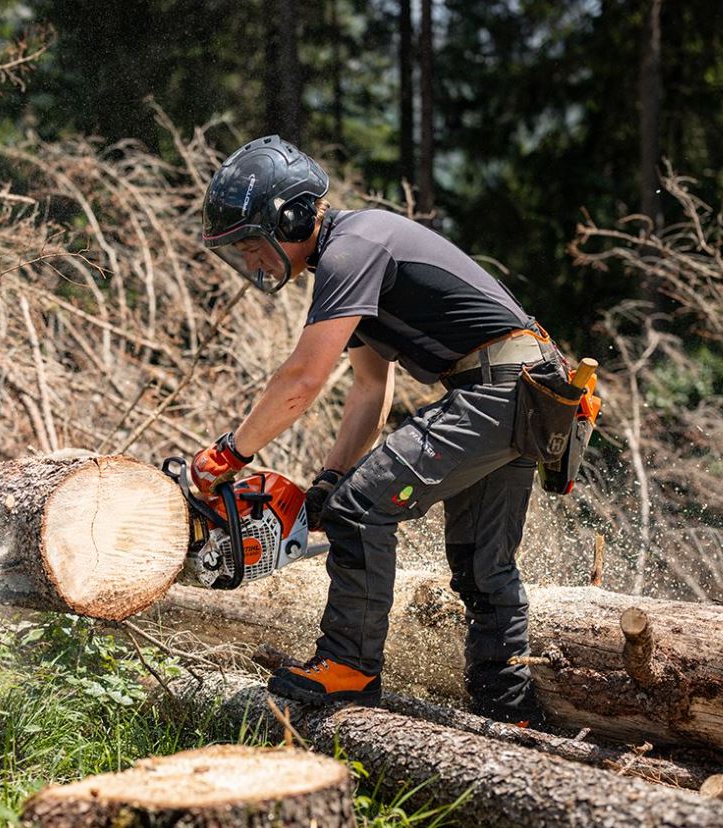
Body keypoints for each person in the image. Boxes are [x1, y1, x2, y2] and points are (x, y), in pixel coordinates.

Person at [192, 134, 573, 725]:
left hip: (504, 388)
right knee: (479, 560)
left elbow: (301, 380)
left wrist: (228, 454)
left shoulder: (352, 249)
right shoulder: (353, 257)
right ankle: (507, 707)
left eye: (251, 244)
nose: (251, 261)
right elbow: (372, 387)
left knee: (363, 511)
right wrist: (330, 478)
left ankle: (349, 665)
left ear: (290, 217)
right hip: (525, 387)